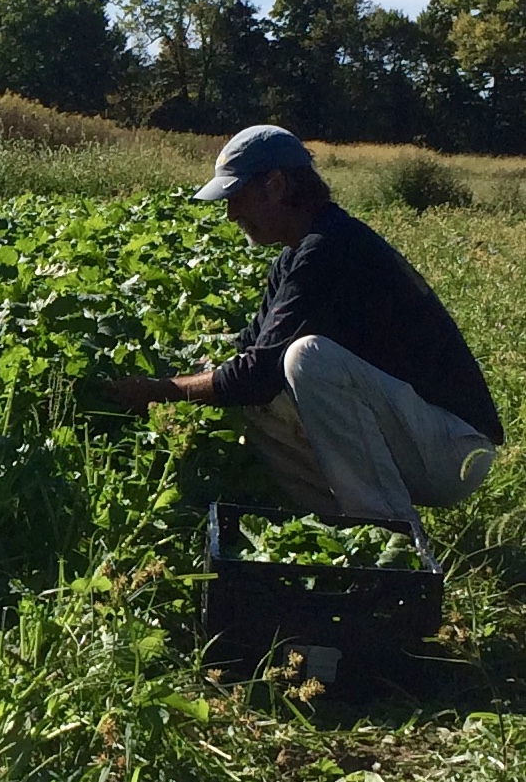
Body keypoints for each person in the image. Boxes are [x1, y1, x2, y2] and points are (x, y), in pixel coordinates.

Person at [104, 125, 504, 525]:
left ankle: (390, 536)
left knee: (306, 359)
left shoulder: (331, 248)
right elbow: (249, 354)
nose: (231, 214)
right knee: (259, 396)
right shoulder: (295, 257)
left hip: (453, 447)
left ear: (275, 186)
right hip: (413, 431)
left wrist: (162, 392)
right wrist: (180, 371)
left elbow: (255, 374)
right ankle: (340, 530)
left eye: (236, 197)